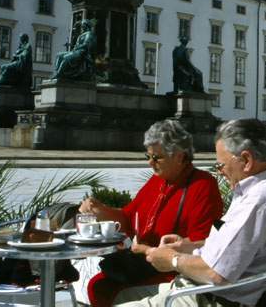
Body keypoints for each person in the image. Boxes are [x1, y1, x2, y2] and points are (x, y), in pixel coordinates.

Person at [115, 119, 266, 307]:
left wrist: (172, 260)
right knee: (121, 296)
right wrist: (187, 245)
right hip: (205, 289)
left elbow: (216, 274)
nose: (220, 172)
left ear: (246, 160)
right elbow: (237, 247)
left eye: (221, 165)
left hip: (209, 297)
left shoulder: (259, 201)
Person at [80, 120, 223, 307]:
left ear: (180, 156)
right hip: (142, 264)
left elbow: (201, 246)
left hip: (171, 270)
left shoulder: (202, 186)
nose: (150, 162)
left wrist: (148, 251)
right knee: (98, 285)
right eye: (148, 156)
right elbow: (128, 218)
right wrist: (100, 210)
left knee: (106, 287)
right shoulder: (158, 181)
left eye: (157, 157)